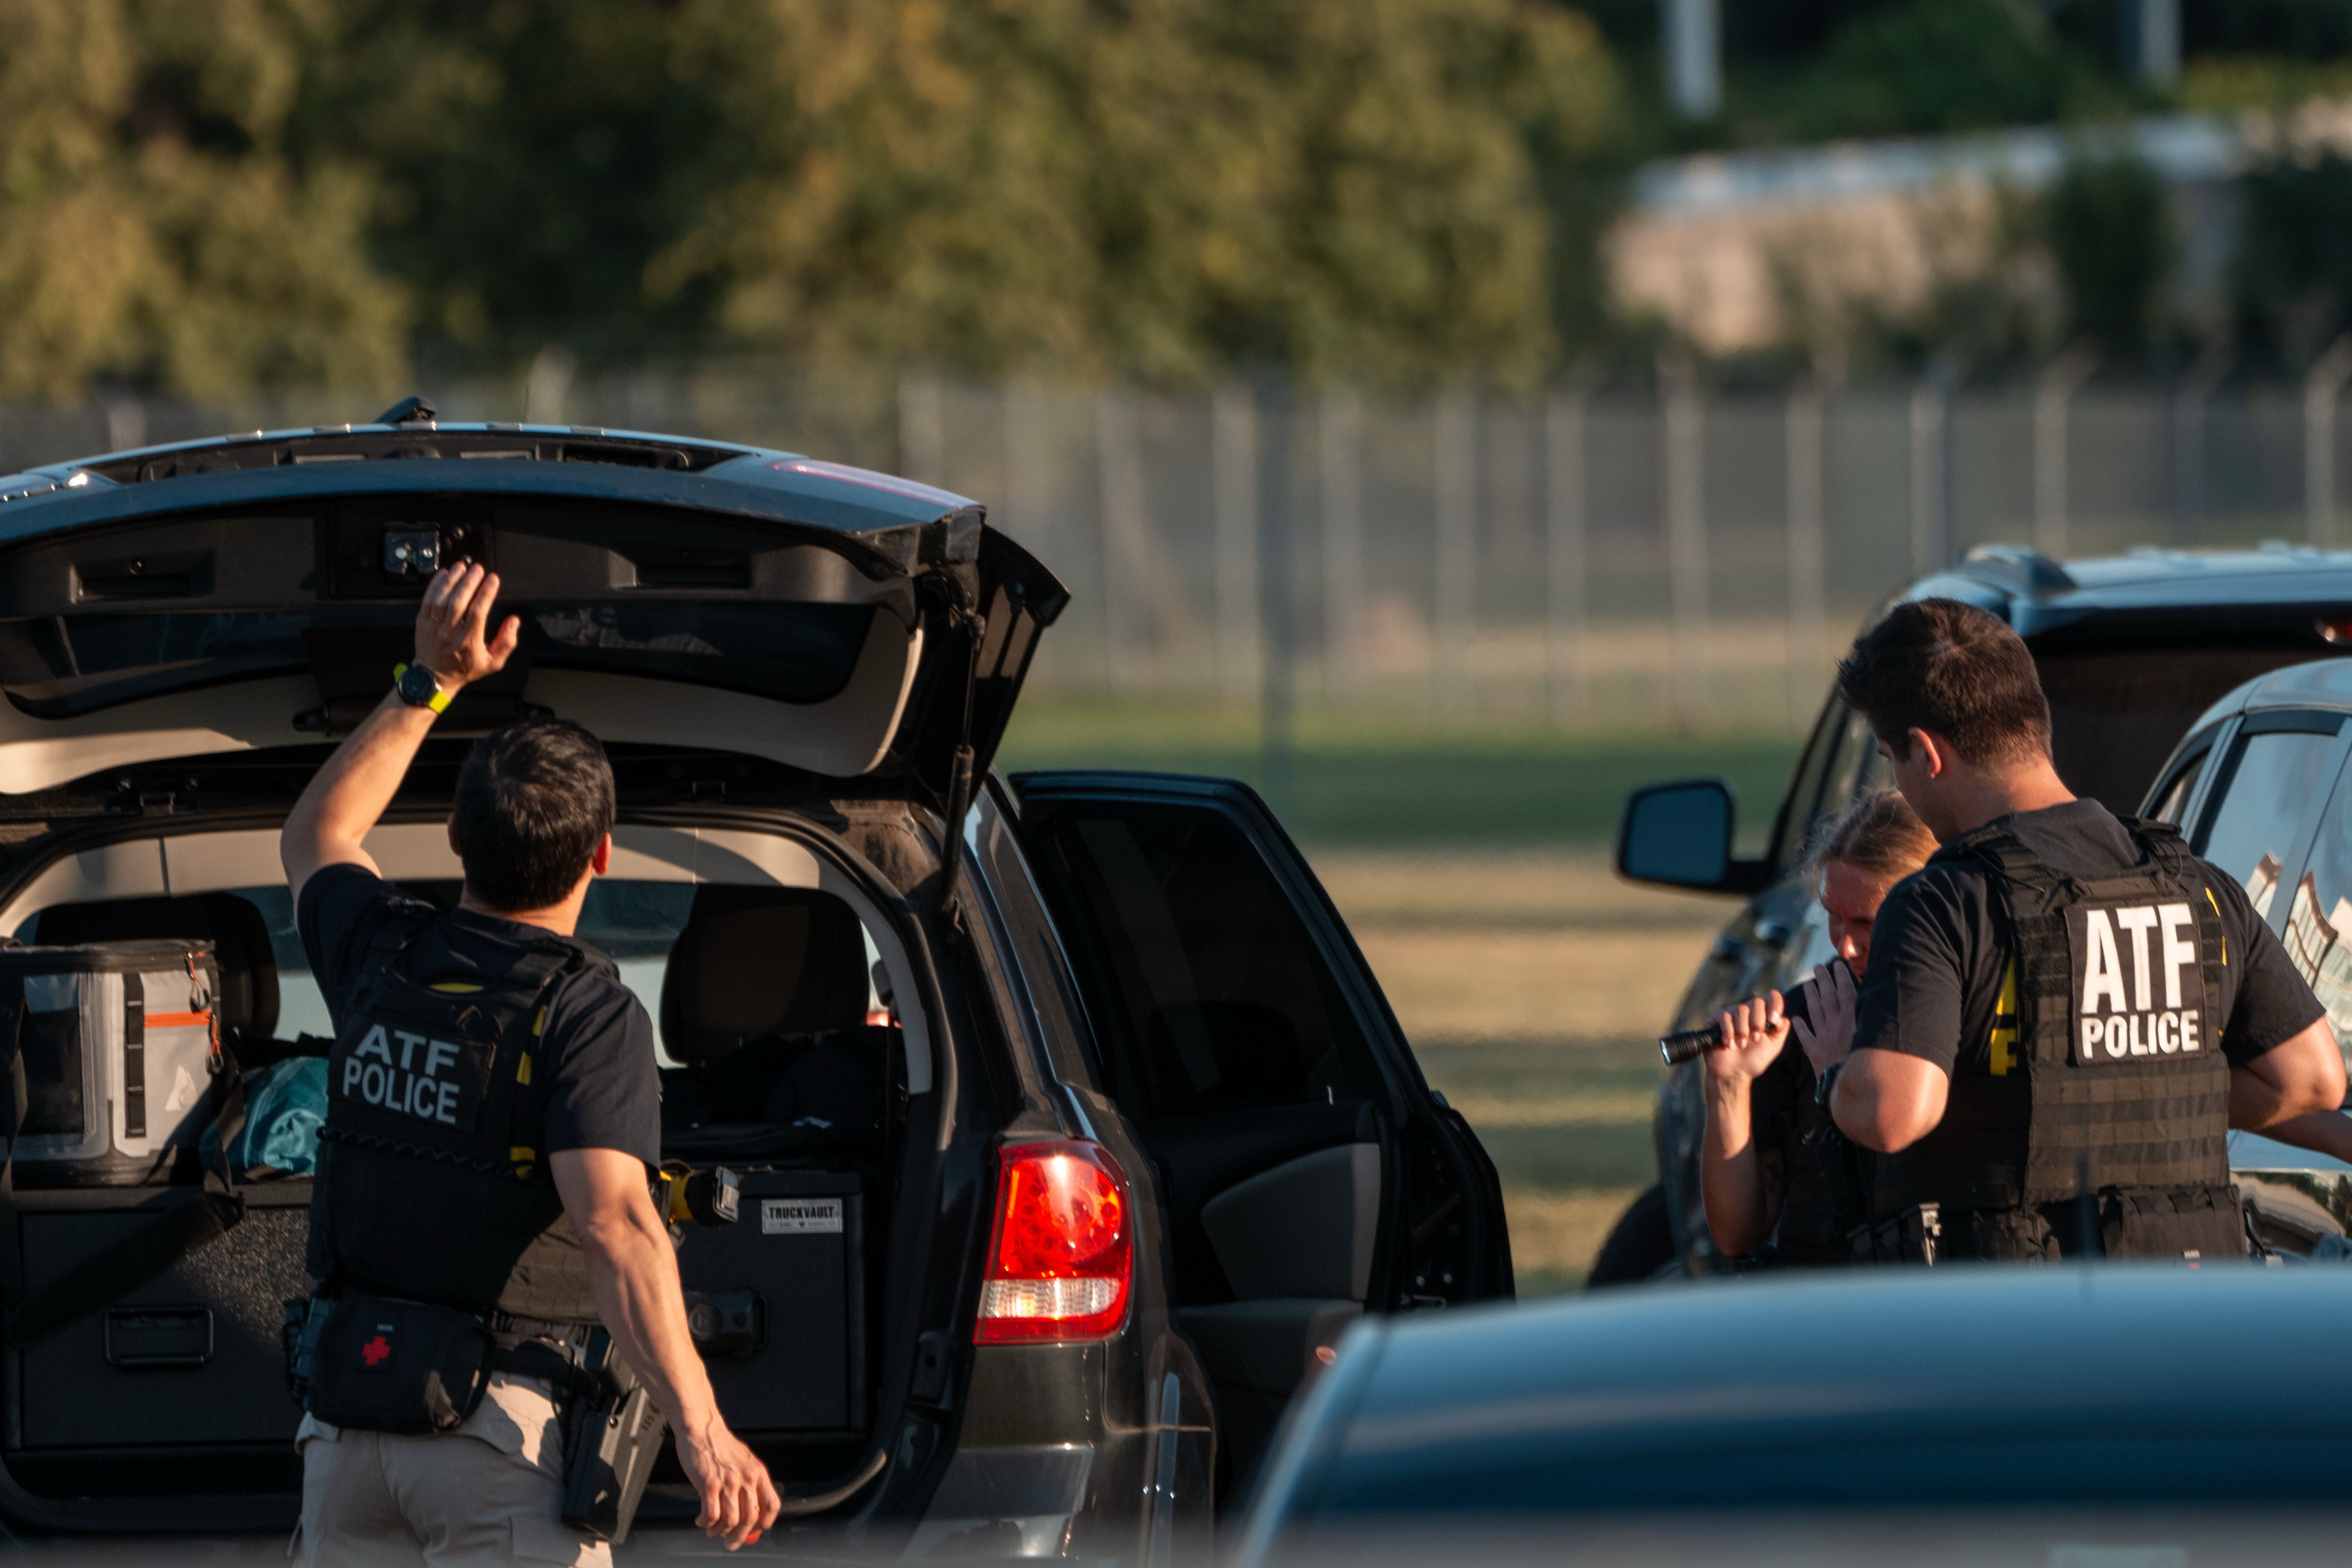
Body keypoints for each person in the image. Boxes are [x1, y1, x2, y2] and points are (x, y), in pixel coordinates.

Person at [279, 563, 782, 1562]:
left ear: (458, 837)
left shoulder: (377, 952)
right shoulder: (588, 1013)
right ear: (601, 855)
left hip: (343, 1434)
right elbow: (616, 1223)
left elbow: (319, 832)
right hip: (497, 1442)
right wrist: (703, 1422)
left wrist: (430, 682)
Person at [1823, 598, 2347, 1261]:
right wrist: (2154, 1090)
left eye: (1891, 759)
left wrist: (1839, 1069)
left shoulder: (1941, 901)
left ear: (1925, 753)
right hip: (2195, 1321)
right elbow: (2312, 1080)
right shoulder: (2200, 886)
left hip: (2030, 1332)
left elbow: (1893, 1112)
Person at [1701, 792, 1936, 1265]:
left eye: (1866, 923)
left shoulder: (1960, 1016)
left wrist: (1844, 1074)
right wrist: (1729, 1086)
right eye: (1833, 917)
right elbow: (1736, 1233)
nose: (1844, 947)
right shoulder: (1802, 1019)